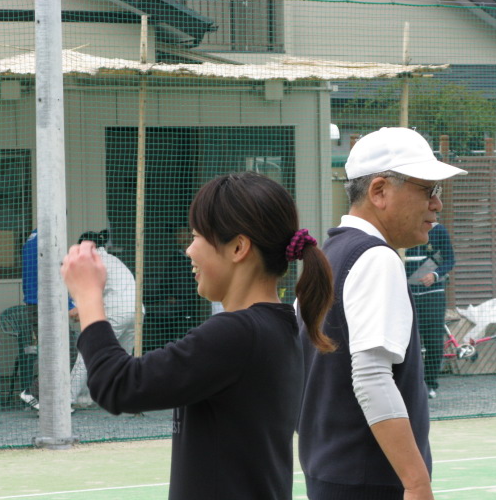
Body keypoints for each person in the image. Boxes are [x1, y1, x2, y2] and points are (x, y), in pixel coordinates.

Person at [61, 171, 336, 500]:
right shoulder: (277, 325)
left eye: (196, 237)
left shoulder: (237, 334)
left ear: (238, 247)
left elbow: (118, 385)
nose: (189, 250)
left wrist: (88, 296)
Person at [297, 127, 467, 500]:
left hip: (329, 473)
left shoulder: (325, 258)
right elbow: (372, 378)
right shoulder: (376, 258)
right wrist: (417, 483)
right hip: (371, 480)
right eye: (428, 190)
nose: (437, 204)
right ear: (379, 191)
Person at [70, 229, 140, 407]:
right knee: (122, 357)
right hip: (137, 313)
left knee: (87, 354)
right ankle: (123, 397)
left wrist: (75, 310)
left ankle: (67, 399)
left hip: (117, 313)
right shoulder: (113, 260)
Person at [19, 229, 77, 411]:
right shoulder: (49, 240)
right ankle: (33, 392)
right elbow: (54, 276)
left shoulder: (32, 239)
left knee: (53, 352)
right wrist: (69, 305)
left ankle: (50, 401)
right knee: (65, 352)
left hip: (36, 303)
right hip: (46, 305)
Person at [405, 222, 456, 399]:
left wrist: (435, 275)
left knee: (434, 342)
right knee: (409, 343)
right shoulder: (401, 228)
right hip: (407, 296)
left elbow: (449, 260)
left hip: (433, 295)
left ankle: (429, 384)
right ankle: (409, 384)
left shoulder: (438, 230)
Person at [144, 226, 208, 350]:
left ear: (189, 234)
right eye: (176, 233)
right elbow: (165, 282)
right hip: (174, 305)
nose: (177, 236)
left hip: (192, 305)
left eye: (180, 232)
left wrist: (183, 299)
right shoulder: (175, 258)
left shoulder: (198, 257)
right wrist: (167, 296)